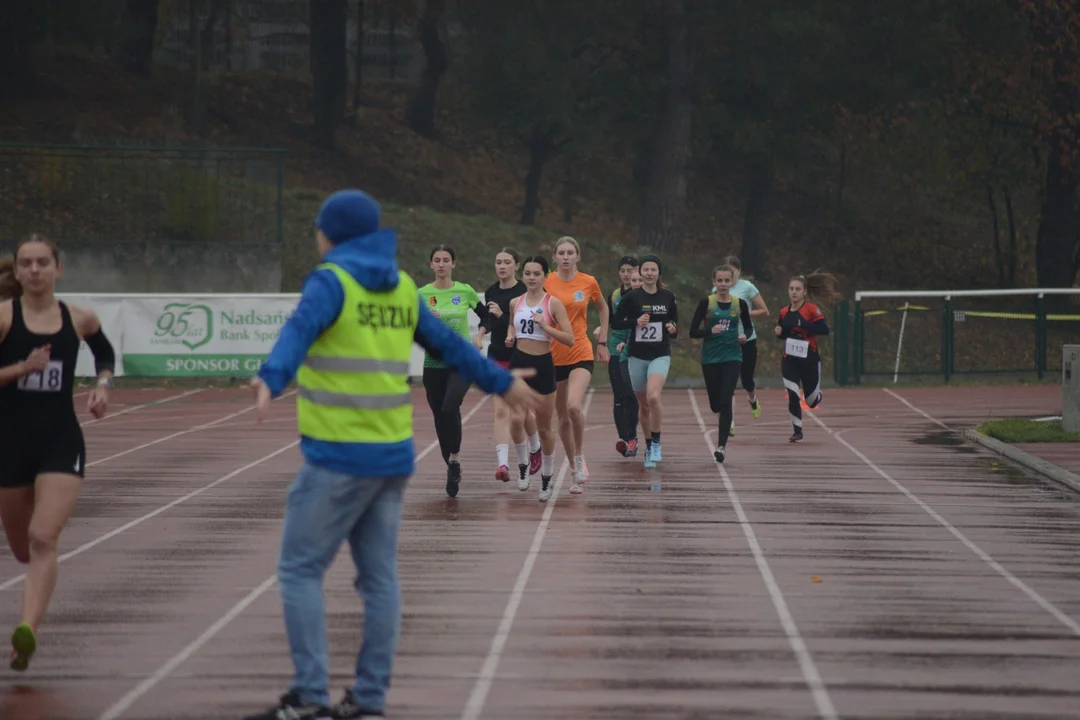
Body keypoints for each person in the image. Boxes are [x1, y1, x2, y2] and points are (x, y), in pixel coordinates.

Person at [246, 190, 541, 720]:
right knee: (379, 579)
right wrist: (497, 380)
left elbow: (297, 331)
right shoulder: (403, 287)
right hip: (391, 457)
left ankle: (312, 694)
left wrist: (271, 377)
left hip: (337, 454)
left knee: (298, 570)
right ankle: (369, 698)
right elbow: (450, 348)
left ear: (330, 233)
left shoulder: (331, 281)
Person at [0, 233, 115, 672]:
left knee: (43, 538)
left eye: (42, 263)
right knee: (23, 550)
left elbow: (105, 354)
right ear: (16, 271)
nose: (34, 271)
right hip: (9, 443)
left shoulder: (80, 317)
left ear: (57, 269)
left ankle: (26, 631)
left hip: (60, 440)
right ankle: (31, 607)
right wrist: (21, 369)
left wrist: (102, 385)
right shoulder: (5, 319)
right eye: (26, 264)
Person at [417, 245, 489, 498]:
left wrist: (480, 334)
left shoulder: (465, 290)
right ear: (431, 265)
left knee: (450, 406)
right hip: (433, 364)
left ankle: (455, 459)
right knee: (439, 415)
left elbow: (486, 316)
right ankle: (451, 466)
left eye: (446, 260)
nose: (441, 264)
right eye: (436, 260)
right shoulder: (421, 294)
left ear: (453, 264)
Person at [505, 256, 575, 501]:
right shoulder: (516, 302)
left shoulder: (553, 303)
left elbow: (569, 338)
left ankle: (546, 477)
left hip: (543, 365)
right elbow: (512, 326)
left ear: (546, 276)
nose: (531, 278)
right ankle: (523, 465)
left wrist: (546, 328)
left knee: (545, 428)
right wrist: (510, 335)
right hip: (519, 364)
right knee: (516, 418)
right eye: (527, 273)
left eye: (536, 273)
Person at [543, 237, 609, 493]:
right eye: (561, 253)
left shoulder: (588, 282)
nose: (566, 257)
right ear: (555, 257)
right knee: (561, 416)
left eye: (571, 252)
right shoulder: (547, 281)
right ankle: (573, 469)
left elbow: (604, 309)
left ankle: (580, 457)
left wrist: (603, 339)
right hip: (553, 353)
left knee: (573, 406)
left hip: (580, 349)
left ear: (577, 256)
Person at [473, 248, 542, 484]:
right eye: (498, 262)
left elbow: (527, 323)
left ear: (516, 265)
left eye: (506, 262)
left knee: (521, 413)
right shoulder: (492, 290)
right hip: (497, 356)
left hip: (521, 355)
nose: (501, 266)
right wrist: (481, 333)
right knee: (501, 410)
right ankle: (503, 464)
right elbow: (490, 319)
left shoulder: (524, 291)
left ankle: (535, 447)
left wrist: (503, 315)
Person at [610, 255, 677, 469]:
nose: (649, 273)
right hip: (636, 356)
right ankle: (648, 445)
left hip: (660, 354)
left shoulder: (667, 296)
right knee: (644, 406)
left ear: (659, 273)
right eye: (646, 270)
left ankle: (656, 443)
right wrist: (635, 322)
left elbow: (674, 323)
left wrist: (672, 328)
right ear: (640, 273)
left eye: (653, 270)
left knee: (654, 397)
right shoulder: (631, 298)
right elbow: (617, 322)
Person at [689, 265, 753, 463]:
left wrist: (744, 336)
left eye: (727, 281)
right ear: (714, 282)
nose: (724, 285)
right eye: (720, 281)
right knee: (716, 403)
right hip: (710, 359)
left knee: (726, 399)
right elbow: (693, 331)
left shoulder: (739, 304)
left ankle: (721, 447)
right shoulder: (706, 303)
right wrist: (710, 331)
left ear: (732, 282)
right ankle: (720, 414)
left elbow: (749, 329)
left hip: (733, 356)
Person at [775, 272, 839, 443]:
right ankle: (797, 430)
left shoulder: (811, 309)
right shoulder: (783, 312)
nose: (794, 292)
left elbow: (824, 329)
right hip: (789, 360)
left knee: (811, 402)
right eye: (791, 289)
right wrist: (779, 332)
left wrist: (805, 325)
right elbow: (783, 333)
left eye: (797, 289)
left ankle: (817, 395)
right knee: (793, 394)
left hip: (809, 359)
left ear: (804, 292)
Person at [715, 255, 769, 435]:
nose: (728, 277)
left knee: (746, 380)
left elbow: (764, 310)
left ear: (738, 271)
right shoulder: (717, 288)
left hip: (747, 339)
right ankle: (728, 420)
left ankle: (753, 399)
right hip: (726, 340)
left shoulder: (747, 287)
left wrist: (744, 313)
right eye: (726, 273)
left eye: (732, 272)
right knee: (727, 383)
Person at [607, 256, 640, 457]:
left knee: (632, 394)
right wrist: (601, 337)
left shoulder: (644, 295)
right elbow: (612, 321)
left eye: (630, 270)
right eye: (623, 271)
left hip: (636, 346)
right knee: (619, 394)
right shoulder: (615, 295)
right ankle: (624, 438)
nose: (627, 275)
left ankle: (632, 436)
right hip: (615, 347)